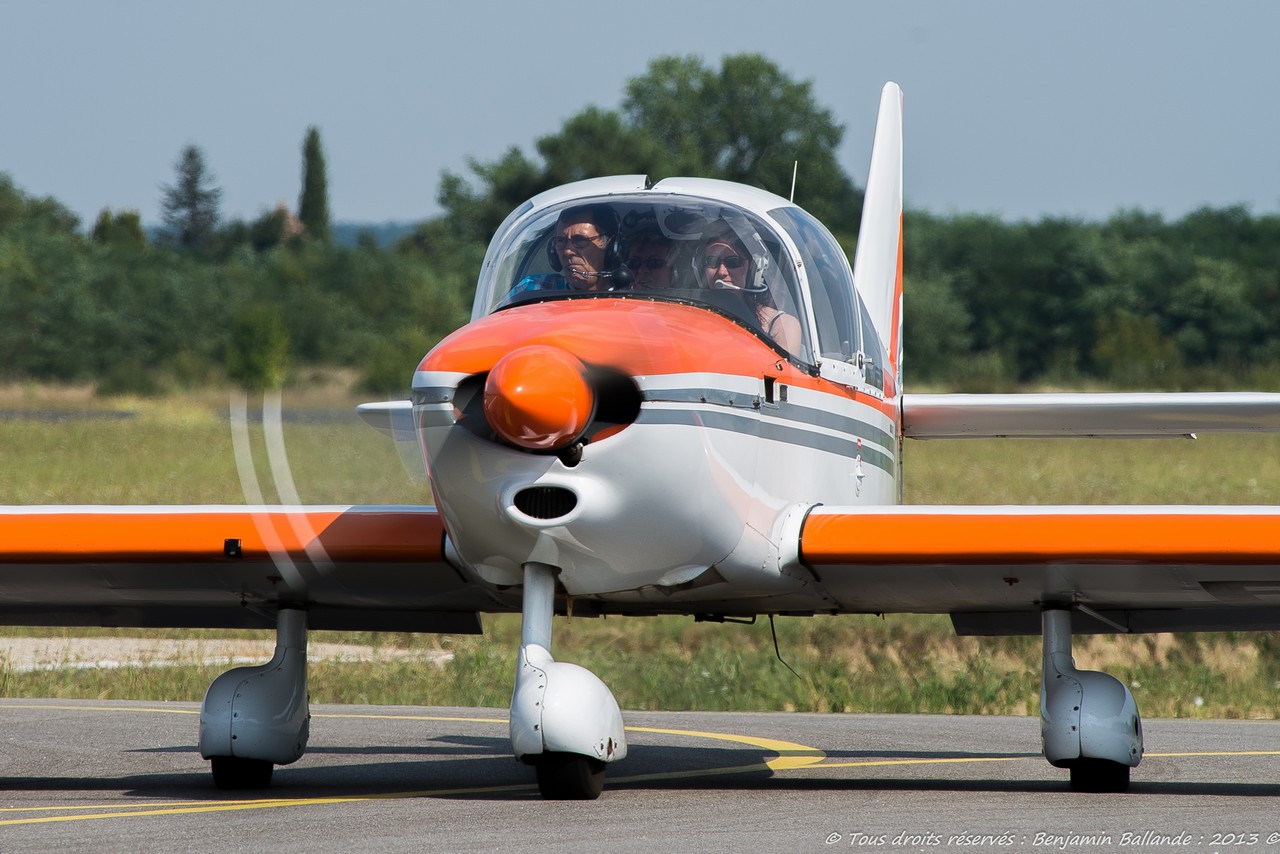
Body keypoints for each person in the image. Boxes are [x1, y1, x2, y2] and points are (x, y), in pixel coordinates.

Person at [699, 228, 803, 354]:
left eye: (733, 262)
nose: (721, 272)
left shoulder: (781, 325)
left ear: (754, 271)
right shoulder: (687, 318)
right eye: (712, 262)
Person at [503, 204, 627, 302]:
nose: (567, 251)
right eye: (561, 241)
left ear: (611, 247)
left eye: (580, 240)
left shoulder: (632, 299)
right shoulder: (532, 288)